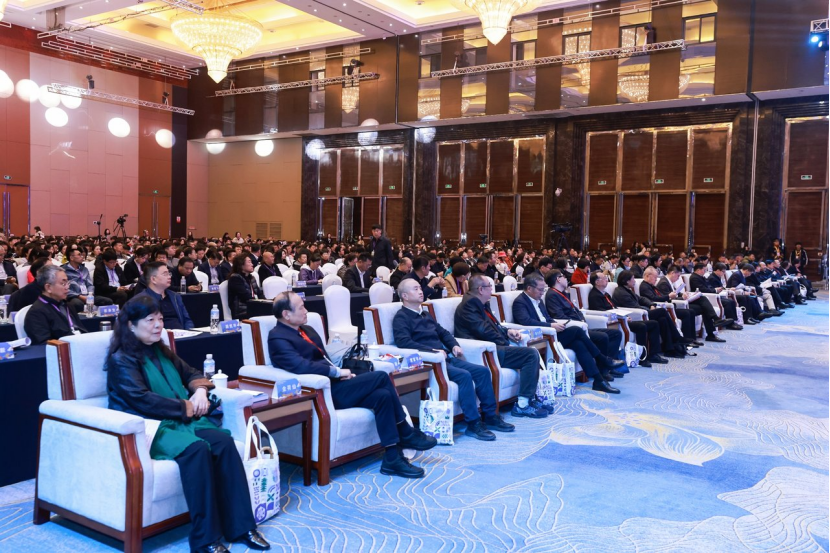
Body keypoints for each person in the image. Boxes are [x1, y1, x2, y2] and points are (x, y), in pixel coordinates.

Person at [106, 296, 270, 553]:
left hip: (181, 420)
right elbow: (141, 399)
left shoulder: (160, 350)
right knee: (197, 449)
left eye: (160, 319)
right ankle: (205, 540)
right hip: (151, 427)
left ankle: (241, 527)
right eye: (150, 320)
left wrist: (200, 392)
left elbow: (192, 373)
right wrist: (187, 407)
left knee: (224, 442)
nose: (158, 325)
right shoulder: (121, 359)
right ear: (130, 325)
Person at [268, 291, 436, 478]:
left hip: (337, 384)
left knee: (383, 396)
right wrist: (337, 373)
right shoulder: (277, 337)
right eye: (301, 307)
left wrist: (342, 372)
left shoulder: (307, 330)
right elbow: (300, 366)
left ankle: (392, 458)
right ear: (286, 314)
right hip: (322, 393)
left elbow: (325, 358)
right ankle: (405, 431)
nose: (306, 310)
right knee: (381, 377)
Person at [393, 279, 514, 440]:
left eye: (420, 288)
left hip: (446, 358)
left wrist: (454, 345)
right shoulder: (401, 317)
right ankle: (473, 424)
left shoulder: (425, 314)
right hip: (431, 362)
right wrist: (432, 351)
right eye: (415, 289)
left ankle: (491, 416)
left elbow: (443, 333)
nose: (421, 291)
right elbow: (403, 342)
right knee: (464, 376)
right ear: (405, 296)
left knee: (482, 371)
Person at [454, 275, 548, 418]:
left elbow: (494, 326)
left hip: (492, 346)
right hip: (484, 351)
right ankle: (522, 405)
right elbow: (484, 331)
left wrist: (507, 331)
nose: (492, 289)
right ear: (481, 289)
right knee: (530, 354)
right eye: (489, 286)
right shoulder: (469, 306)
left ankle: (528, 399)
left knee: (530, 352)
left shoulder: (481, 303)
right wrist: (506, 343)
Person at [512, 273, 622, 394]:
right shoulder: (520, 302)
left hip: (552, 333)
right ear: (529, 288)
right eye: (540, 289)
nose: (542, 292)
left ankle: (598, 380)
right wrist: (550, 326)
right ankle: (602, 359)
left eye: (543, 289)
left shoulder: (538, 299)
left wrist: (556, 324)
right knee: (577, 330)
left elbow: (547, 318)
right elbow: (526, 322)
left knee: (579, 344)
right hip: (542, 337)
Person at [542, 271, 627, 366]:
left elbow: (576, 310)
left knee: (616, 333)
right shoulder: (552, 295)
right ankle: (605, 365)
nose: (566, 279)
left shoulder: (562, 293)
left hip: (581, 325)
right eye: (564, 277)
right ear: (558, 279)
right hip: (573, 329)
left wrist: (582, 319)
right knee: (603, 337)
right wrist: (579, 323)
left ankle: (610, 364)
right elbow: (558, 316)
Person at [587, 272, 665, 366]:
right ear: (597, 282)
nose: (606, 280)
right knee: (641, 326)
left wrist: (624, 316)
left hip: (620, 319)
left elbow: (614, 308)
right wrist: (620, 318)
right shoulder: (594, 296)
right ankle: (641, 357)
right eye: (604, 278)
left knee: (654, 323)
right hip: (614, 322)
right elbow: (602, 312)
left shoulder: (605, 293)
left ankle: (653, 354)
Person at [615, 270, 697, 351]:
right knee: (662, 311)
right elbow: (634, 306)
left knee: (662, 319)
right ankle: (676, 337)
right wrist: (648, 308)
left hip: (643, 311)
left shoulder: (627, 290)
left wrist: (651, 305)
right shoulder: (621, 292)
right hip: (637, 315)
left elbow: (641, 299)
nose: (635, 281)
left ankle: (669, 348)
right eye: (633, 278)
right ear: (627, 281)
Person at [639, 266, 710, 345]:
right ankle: (684, 339)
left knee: (690, 311)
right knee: (686, 313)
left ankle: (692, 339)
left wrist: (671, 297)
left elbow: (660, 295)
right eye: (655, 277)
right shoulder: (644, 286)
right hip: (660, 308)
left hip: (666, 306)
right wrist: (669, 296)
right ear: (647, 276)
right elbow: (653, 298)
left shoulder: (652, 286)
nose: (656, 279)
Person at [24, 265, 87, 345]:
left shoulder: (67, 304)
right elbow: (43, 344)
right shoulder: (36, 313)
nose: (67, 287)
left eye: (67, 282)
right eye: (63, 283)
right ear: (48, 287)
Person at [135, 262, 194, 330]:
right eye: (165, 274)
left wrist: (188, 332)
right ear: (153, 279)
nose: (169, 277)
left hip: (181, 333)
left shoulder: (175, 296)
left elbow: (187, 320)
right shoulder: (141, 300)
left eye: (169, 274)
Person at [63, 247, 114, 314]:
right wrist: (79, 296)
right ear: (71, 258)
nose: (82, 256)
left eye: (82, 254)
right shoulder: (63, 271)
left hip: (88, 295)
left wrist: (90, 295)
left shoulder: (84, 269)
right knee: (77, 304)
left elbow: (90, 285)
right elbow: (64, 288)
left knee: (108, 301)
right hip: (74, 296)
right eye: (79, 255)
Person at [227, 254, 264, 320]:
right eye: (249, 262)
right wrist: (259, 303)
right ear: (241, 265)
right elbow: (245, 297)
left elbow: (259, 294)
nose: (252, 264)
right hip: (242, 311)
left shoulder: (251, 278)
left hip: (254, 306)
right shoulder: (235, 278)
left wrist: (266, 302)